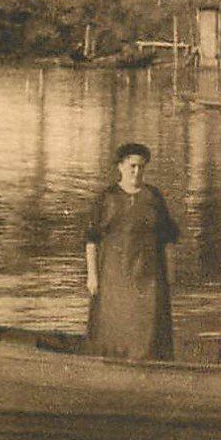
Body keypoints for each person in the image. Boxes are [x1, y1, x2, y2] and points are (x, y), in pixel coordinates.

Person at [84, 142, 182, 360]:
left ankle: (150, 365)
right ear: (120, 166)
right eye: (132, 166)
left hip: (148, 274)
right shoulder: (107, 198)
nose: (137, 172)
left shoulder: (153, 197)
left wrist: (170, 272)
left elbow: (168, 238)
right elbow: (91, 240)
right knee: (113, 321)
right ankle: (109, 364)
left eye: (141, 167)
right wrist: (92, 276)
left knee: (148, 323)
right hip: (114, 275)